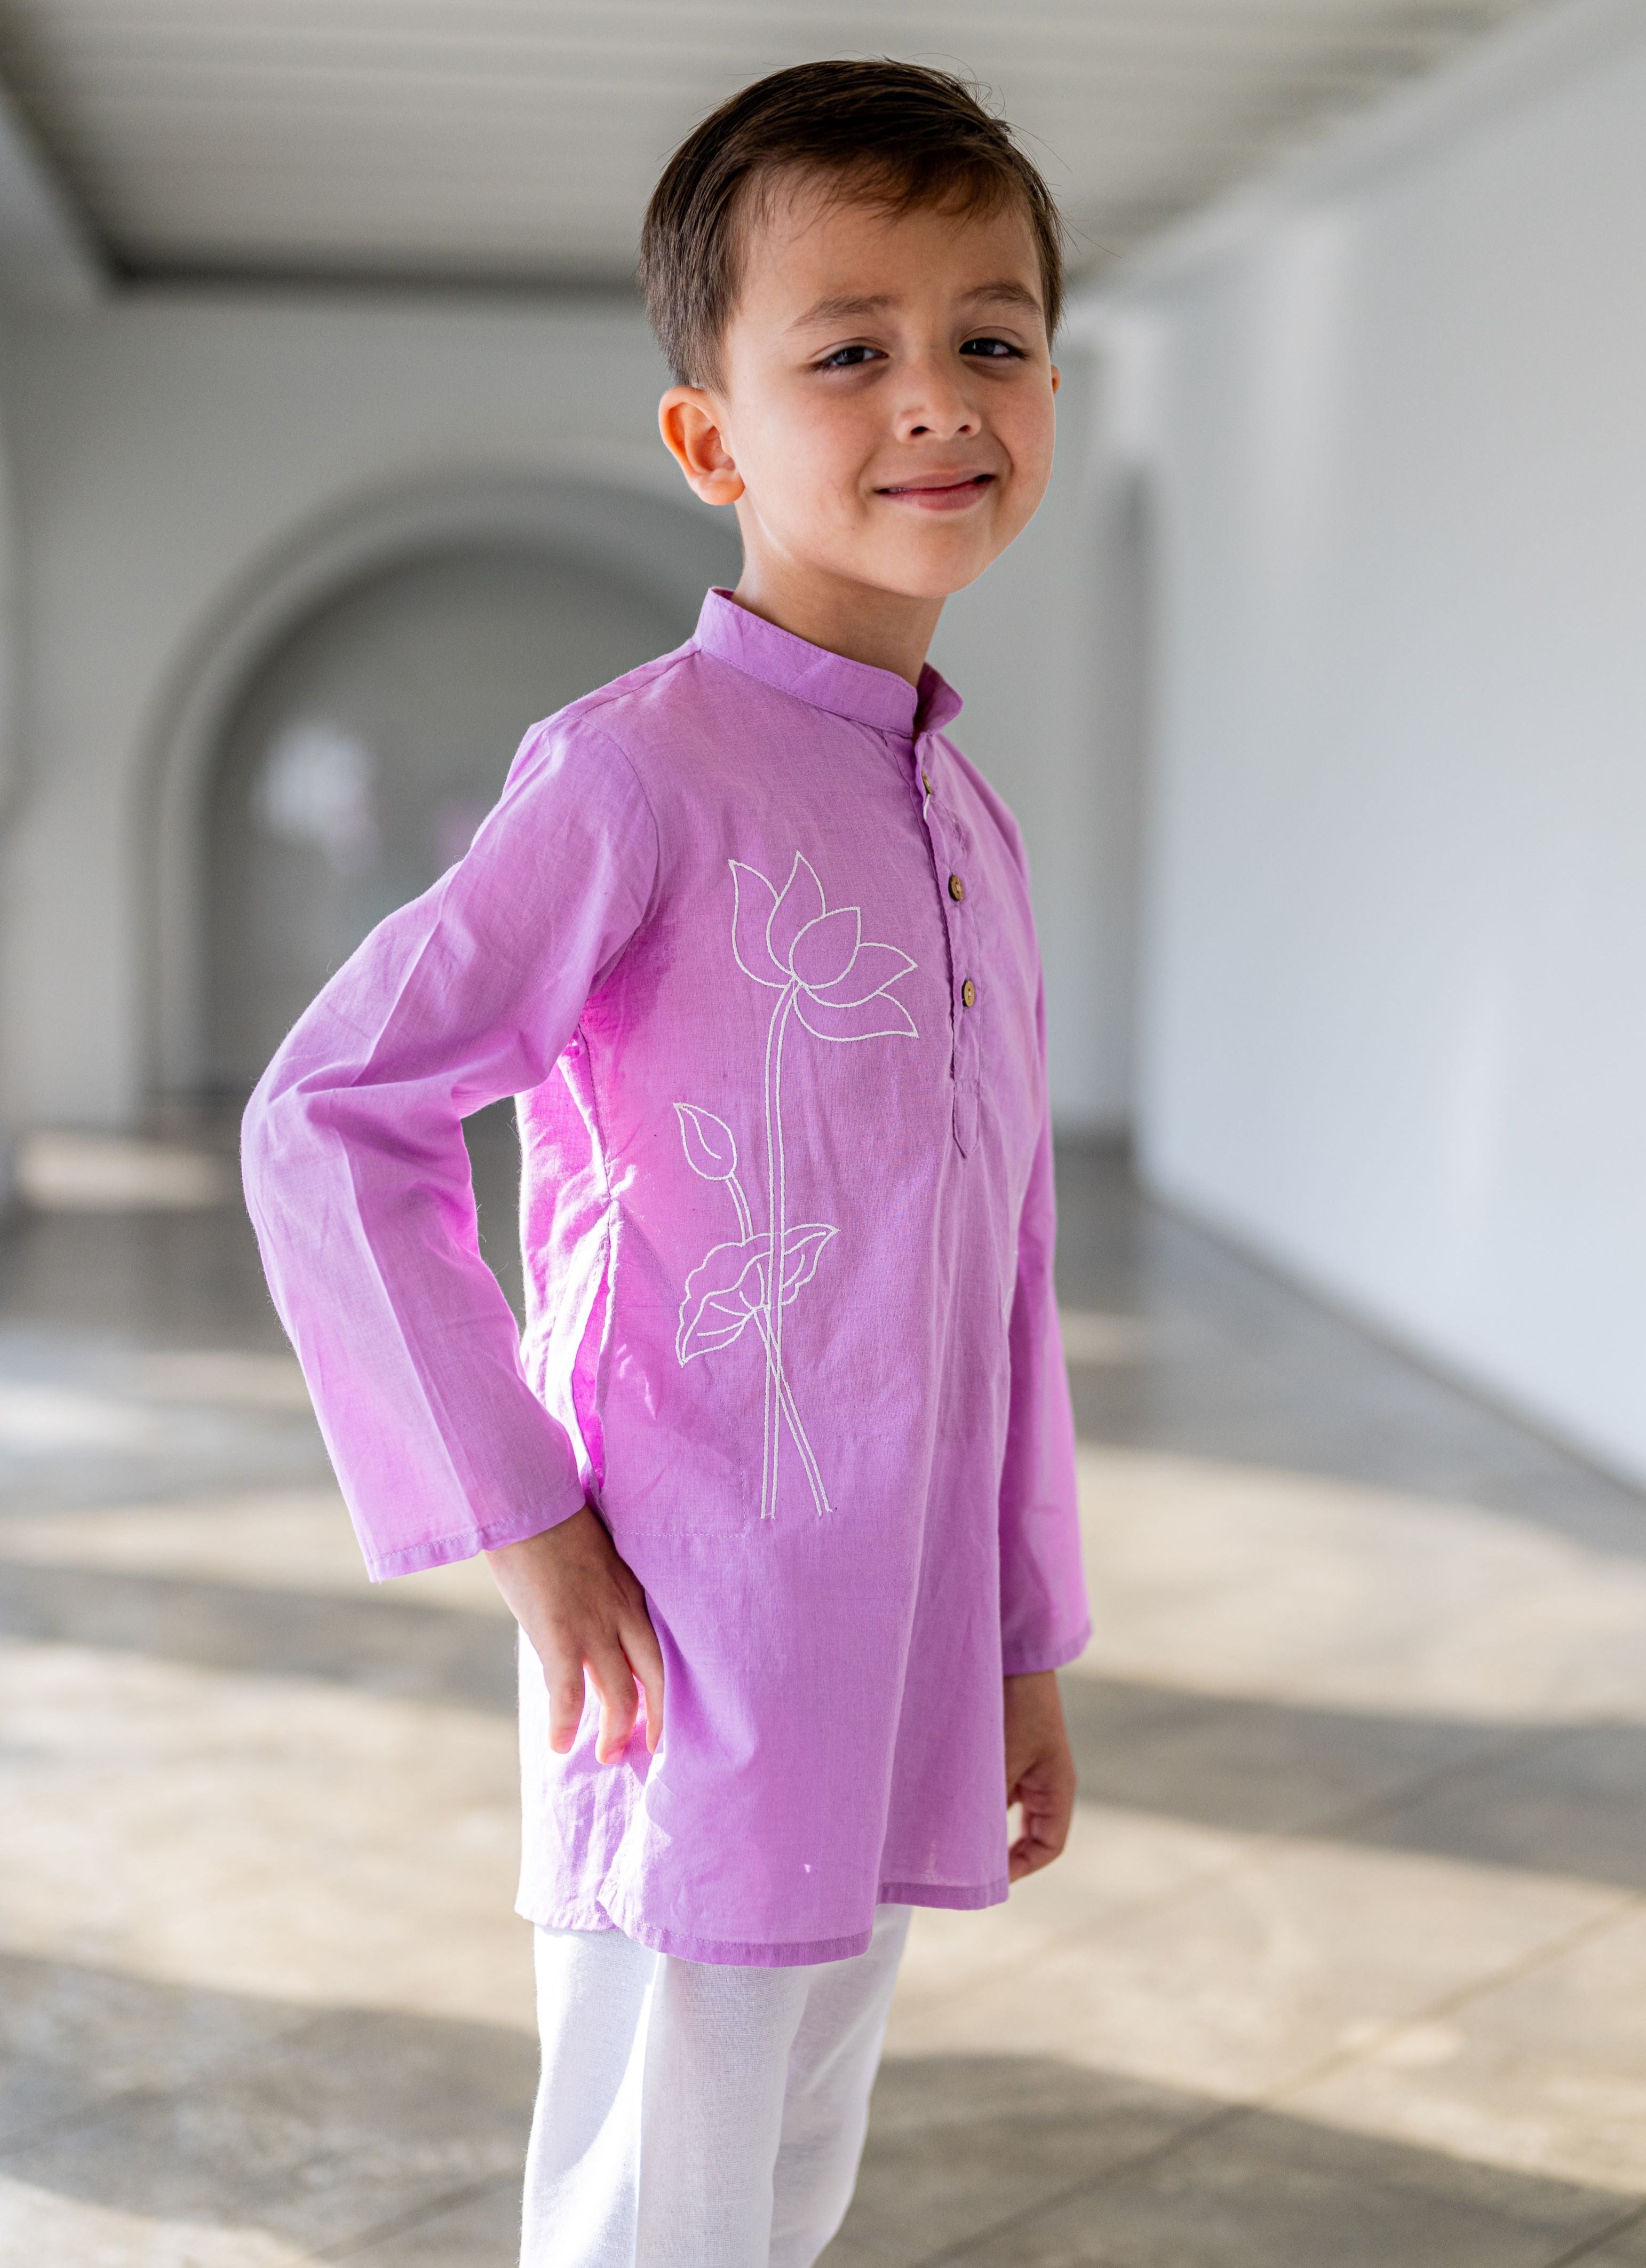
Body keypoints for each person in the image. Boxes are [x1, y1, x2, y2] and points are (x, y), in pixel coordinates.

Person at [242, 57, 1090, 2268]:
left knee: (787, 2173)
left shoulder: (966, 818)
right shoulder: (635, 775)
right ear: (711, 441)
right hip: (689, 1634)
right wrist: (521, 1515)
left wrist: (1016, 1638)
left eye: (991, 337)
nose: (938, 396)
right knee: (657, 2200)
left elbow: (997, 1264)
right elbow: (332, 1114)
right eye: (851, 351)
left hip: (895, 1634)